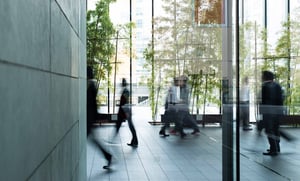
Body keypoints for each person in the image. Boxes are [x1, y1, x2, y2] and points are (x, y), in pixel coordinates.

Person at [87, 66, 112, 169]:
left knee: (93, 140)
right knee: (93, 140)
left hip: (89, 117)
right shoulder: (92, 84)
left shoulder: (91, 85)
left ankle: (108, 156)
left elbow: (90, 103)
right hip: (90, 117)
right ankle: (108, 156)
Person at [258, 70, 283, 156]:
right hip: (278, 112)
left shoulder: (265, 86)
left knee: (269, 130)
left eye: (262, 76)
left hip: (269, 112)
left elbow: (265, 101)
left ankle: (274, 149)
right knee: (276, 130)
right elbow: (280, 100)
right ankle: (276, 148)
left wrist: (262, 112)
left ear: (265, 77)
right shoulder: (278, 85)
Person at [115, 78, 138, 147]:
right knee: (130, 125)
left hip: (126, 110)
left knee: (131, 126)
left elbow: (126, 101)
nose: (121, 83)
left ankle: (135, 140)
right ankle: (134, 140)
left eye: (122, 82)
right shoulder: (125, 90)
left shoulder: (125, 91)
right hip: (126, 110)